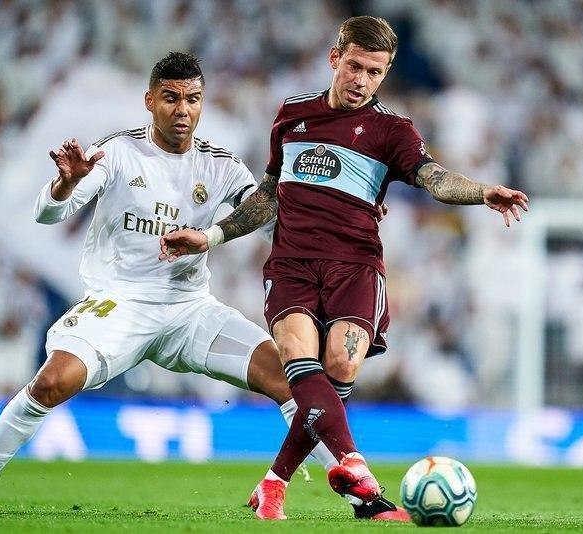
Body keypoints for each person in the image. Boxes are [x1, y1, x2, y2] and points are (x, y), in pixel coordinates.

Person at [0, 51, 405, 522]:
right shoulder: (117, 152)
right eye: (171, 98)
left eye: (192, 99)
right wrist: (64, 185)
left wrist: (345, 212)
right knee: (51, 382)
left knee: (295, 382)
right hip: (120, 304)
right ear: (150, 101)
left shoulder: (221, 165)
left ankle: (364, 499)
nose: (183, 110)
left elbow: (272, 223)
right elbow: (48, 215)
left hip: (190, 311)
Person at [160, 16, 530, 519]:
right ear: (335, 58)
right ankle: (357, 470)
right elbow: (268, 195)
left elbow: (434, 178)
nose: (362, 80)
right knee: (300, 365)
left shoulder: (392, 131)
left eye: (375, 72)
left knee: (340, 366)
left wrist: (482, 192)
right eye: (355, 66)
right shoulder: (292, 114)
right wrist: (211, 236)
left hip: (355, 267)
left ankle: (274, 483)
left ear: (386, 73)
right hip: (290, 264)